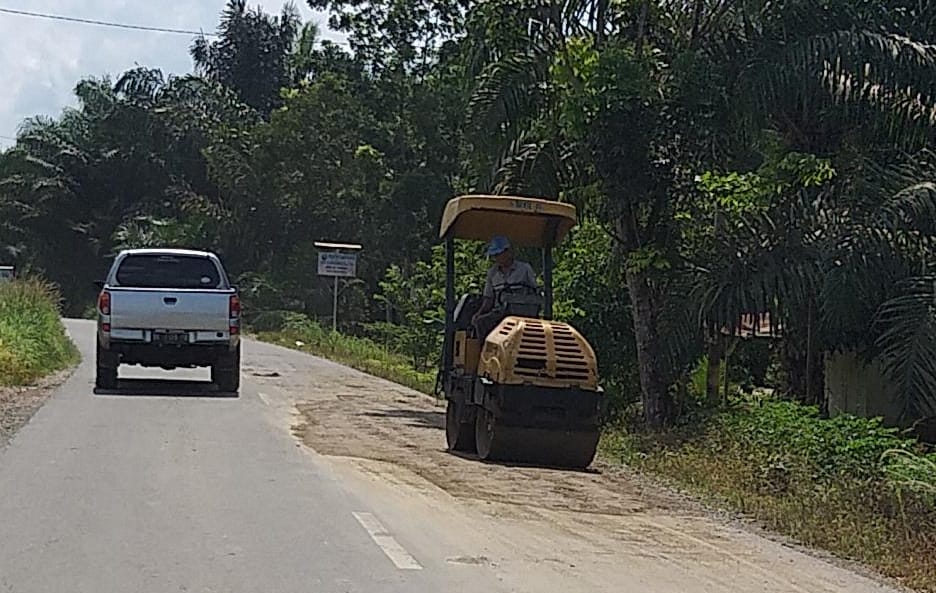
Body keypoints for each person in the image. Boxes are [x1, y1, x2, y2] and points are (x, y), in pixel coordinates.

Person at [471, 235, 538, 339]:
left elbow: (535, 292)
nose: (497, 258)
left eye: (499, 254)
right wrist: (479, 314)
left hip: (522, 311)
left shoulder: (524, 269)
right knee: (481, 322)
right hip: (500, 312)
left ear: (508, 252)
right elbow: (488, 299)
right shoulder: (492, 273)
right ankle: (486, 352)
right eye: (495, 255)